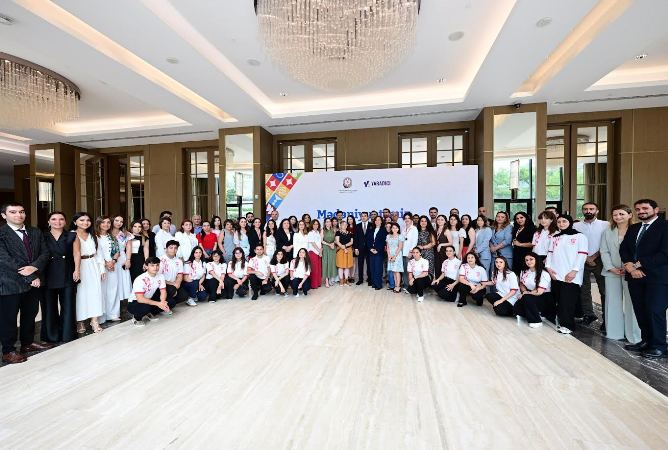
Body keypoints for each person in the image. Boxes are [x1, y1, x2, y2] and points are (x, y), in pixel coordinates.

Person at [0, 203, 52, 364]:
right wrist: (31, 276)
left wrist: (35, 267)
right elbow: (5, 260)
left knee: (30, 314)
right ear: (4, 215)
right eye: (13, 212)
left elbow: (45, 252)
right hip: (10, 283)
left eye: (21, 211)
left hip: (33, 282)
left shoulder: (35, 231)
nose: (19, 215)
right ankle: (8, 351)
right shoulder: (1, 233)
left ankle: (27, 343)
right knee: (8, 318)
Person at [619, 199, 668, 358]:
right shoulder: (634, 228)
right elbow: (624, 248)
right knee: (640, 310)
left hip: (657, 278)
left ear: (656, 209)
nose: (641, 211)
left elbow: (665, 253)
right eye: (638, 209)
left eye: (645, 208)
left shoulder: (665, 226)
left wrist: (638, 264)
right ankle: (646, 341)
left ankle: (659, 346)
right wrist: (628, 265)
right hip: (634, 277)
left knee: (655, 311)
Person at [600, 205, 641, 343]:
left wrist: (632, 267)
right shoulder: (608, 231)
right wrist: (611, 268)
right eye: (615, 215)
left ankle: (634, 336)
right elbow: (604, 251)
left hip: (632, 271)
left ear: (630, 215)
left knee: (632, 303)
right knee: (612, 302)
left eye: (621, 214)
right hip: (612, 271)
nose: (618, 217)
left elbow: (642, 251)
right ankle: (614, 333)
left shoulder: (637, 230)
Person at [545, 215, 588, 335]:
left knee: (567, 302)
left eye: (564, 221)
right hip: (555, 274)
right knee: (559, 300)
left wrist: (574, 271)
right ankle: (561, 320)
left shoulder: (580, 236)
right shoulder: (555, 237)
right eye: (559, 222)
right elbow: (550, 253)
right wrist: (548, 268)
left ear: (570, 222)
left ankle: (568, 326)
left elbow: (582, 255)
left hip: (571, 275)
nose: (561, 224)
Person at [42, 212, 77, 343]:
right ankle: (51, 336)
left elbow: (77, 254)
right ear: (48, 221)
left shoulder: (72, 235)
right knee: (48, 306)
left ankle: (68, 334)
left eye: (61, 219)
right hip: (47, 273)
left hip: (67, 272)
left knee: (68, 305)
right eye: (54, 219)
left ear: (65, 221)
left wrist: (77, 270)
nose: (58, 222)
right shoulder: (42, 236)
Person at [573, 202, 609, 328]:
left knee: (604, 290)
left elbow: (607, 242)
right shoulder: (576, 225)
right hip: (581, 260)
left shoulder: (605, 224)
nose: (588, 211)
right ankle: (588, 314)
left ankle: (607, 319)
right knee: (584, 289)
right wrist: (586, 257)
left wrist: (593, 257)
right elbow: (574, 243)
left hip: (600, 259)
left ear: (597, 211)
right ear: (582, 211)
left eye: (591, 209)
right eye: (585, 209)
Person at [72, 212, 105, 336]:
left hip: (93, 265)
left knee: (95, 293)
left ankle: (94, 321)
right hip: (79, 266)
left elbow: (99, 253)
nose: (85, 222)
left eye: (88, 220)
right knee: (80, 294)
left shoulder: (93, 235)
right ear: (75, 222)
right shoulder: (71, 235)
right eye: (82, 220)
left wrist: (102, 269)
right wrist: (75, 270)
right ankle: (80, 321)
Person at [127, 256, 173, 326]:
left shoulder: (160, 276)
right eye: (152, 265)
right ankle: (136, 318)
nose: (155, 267)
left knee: (171, 302)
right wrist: (158, 304)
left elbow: (163, 292)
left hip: (149, 300)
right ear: (146, 266)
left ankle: (149, 313)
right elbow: (140, 299)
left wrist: (162, 302)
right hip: (134, 302)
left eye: (157, 265)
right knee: (145, 308)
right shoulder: (140, 279)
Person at [515, 252, 553, 328]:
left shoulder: (544, 273)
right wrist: (524, 291)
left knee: (526, 298)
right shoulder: (524, 271)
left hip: (543, 297)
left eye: (531, 259)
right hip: (530, 295)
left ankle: (536, 321)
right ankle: (534, 313)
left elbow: (539, 292)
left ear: (536, 260)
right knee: (516, 307)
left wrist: (526, 294)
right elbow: (521, 284)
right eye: (526, 260)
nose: (528, 262)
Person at [96, 216, 120, 323]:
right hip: (99, 266)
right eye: (103, 222)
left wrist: (113, 262)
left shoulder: (112, 237)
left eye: (108, 222)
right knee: (101, 291)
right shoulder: (94, 237)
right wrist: (106, 264)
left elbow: (117, 251)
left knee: (113, 289)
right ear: (98, 224)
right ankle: (101, 316)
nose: (106, 224)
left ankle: (113, 314)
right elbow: (95, 253)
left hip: (113, 266)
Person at [111, 215, 132, 305]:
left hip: (122, 258)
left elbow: (129, 248)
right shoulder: (107, 232)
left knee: (122, 280)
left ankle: (123, 304)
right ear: (112, 220)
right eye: (116, 220)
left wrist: (128, 260)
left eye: (121, 221)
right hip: (109, 258)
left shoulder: (124, 234)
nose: (119, 223)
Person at [159, 240, 188, 306]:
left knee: (184, 296)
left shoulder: (179, 261)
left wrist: (177, 284)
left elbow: (180, 275)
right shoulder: (160, 260)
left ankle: (170, 300)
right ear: (166, 249)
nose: (173, 250)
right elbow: (158, 277)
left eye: (175, 248)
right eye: (171, 248)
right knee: (172, 291)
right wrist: (173, 284)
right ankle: (164, 302)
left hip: (174, 284)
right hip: (163, 284)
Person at [368, 216, 387, 290]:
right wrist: (370, 248)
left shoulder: (384, 230)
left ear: (381, 221)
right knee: (372, 268)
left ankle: (378, 285)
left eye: (379, 220)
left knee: (378, 268)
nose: (377, 221)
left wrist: (377, 250)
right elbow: (368, 240)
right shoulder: (371, 230)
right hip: (371, 251)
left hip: (379, 252)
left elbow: (383, 242)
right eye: (376, 220)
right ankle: (374, 283)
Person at [401, 212, 418, 290]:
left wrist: (411, 252)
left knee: (410, 271)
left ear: (411, 219)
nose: (407, 220)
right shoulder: (403, 228)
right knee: (404, 270)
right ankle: (406, 285)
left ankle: (411, 287)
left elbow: (414, 241)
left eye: (408, 218)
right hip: (402, 252)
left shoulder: (414, 228)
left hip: (409, 253)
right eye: (405, 218)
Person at [386, 222, 404, 293]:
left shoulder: (400, 236)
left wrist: (395, 256)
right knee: (393, 271)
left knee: (397, 271)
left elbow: (400, 247)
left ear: (398, 229)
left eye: (396, 228)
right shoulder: (388, 236)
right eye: (393, 228)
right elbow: (387, 247)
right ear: (391, 229)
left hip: (397, 255)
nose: (394, 229)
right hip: (390, 255)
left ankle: (398, 286)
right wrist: (389, 255)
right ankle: (396, 285)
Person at [335, 220, 354, 286]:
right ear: (340, 226)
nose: (344, 226)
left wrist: (345, 246)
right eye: (343, 224)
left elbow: (351, 242)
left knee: (347, 266)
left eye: (346, 225)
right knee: (340, 266)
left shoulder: (350, 233)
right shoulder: (338, 232)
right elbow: (337, 241)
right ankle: (341, 280)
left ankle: (346, 280)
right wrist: (343, 248)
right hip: (340, 250)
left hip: (348, 250)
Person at [354, 211, 371, 286]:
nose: (363, 217)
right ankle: (360, 279)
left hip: (369, 248)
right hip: (360, 248)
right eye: (362, 216)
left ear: (368, 217)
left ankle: (370, 279)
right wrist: (356, 248)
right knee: (360, 264)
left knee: (369, 265)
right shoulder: (357, 226)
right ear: (360, 217)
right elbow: (356, 238)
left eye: (365, 216)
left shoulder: (371, 225)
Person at [321, 218, 337, 287]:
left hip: (333, 248)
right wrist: (329, 244)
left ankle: (331, 279)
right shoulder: (322, 230)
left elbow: (336, 240)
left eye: (329, 221)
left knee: (332, 263)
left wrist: (333, 243)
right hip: (326, 248)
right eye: (327, 222)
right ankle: (326, 281)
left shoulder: (333, 230)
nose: (328, 223)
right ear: (325, 223)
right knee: (326, 264)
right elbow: (322, 241)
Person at [434, 215, 451, 279]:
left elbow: (451, 243)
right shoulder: (435, 230)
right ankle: (437, 282)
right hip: (436, 252)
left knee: (443, 268)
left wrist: (441, 245)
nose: (440, 221)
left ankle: (443, 282)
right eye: (438, 219)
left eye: (442, 220)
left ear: (445, 221)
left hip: (443, 253)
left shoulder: (446, 230)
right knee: (437, 267)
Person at [307, 219, 323, 289]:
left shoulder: (318, 232)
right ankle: (313, 285)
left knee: (318, 268)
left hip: (318, 252)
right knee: (314, 269)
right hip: (313, 252)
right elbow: (313, 243)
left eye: (317, 224)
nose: (316, 225)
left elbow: (320, 242)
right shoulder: (310, 233)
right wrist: (319, 251)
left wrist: (320, 251)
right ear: (312, 225)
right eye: (314, 224)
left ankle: (318, 283)